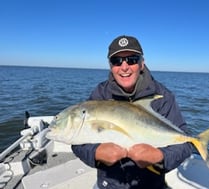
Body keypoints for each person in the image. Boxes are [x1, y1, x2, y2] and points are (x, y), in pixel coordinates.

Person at [71, 35, 192, 189]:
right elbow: (76, 139)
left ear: (142, 63)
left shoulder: (162, 96)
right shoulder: (100, 95)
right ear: (110, 66)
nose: (124, 67)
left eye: (132, 59)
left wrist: (160, 157)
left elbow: (186, 144)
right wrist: (95, 153)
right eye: (117, 61)